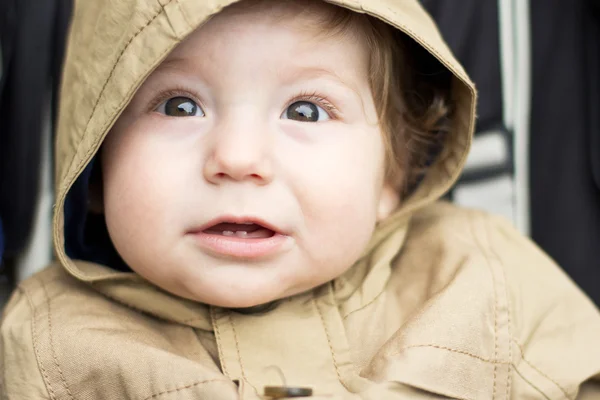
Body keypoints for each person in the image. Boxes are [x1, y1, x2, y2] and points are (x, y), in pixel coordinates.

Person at [2, 0, 600, 398]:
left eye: (305, 110)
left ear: (392, 175)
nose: (237, 158)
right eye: (179, 105)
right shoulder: (47, 342)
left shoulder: (482, 276)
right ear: (96, 165)